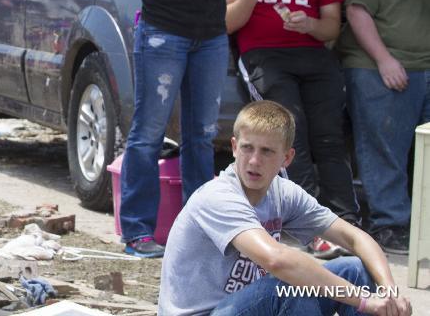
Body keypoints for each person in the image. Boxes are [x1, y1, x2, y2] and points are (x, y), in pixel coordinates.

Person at [159, 100, 412, 316]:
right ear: (234, 147)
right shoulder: (218, 197)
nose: (254, 161)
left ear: (287, 158)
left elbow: (355, 238)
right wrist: (364, 301)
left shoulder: (284, 192)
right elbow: (278, 260)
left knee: (354, 269)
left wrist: (389, 294)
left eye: (267, 151)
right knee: (290, 285)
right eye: (247, 148)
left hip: (248, 306)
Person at [223, 0, 360, 259]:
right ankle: (310, 228)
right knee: (292, 133)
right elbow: (228, 22)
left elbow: (332, 26)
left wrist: (309, 24)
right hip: (263, 53)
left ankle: (346, 225)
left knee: (330, 136)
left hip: (312, 53)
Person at [119, 0, 238, 258]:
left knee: (202, 136)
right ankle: (136, 231)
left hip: (209, 33)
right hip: (162, 32)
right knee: (148, 133)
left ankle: (199, 231)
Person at [335, 0, 430, 255]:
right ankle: (390, 225)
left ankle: (421, 224)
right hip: (377, 64)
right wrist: (385, 60)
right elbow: (356, 11)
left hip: (426, 66)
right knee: (384, 148)